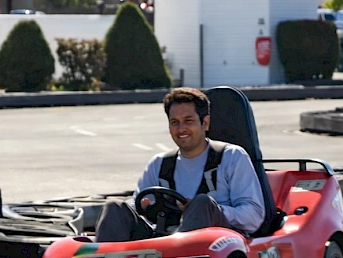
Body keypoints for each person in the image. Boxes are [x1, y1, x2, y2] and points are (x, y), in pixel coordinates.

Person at [95, 87, 265, 242]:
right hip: (163, 240)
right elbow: (136, 206)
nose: (181, 129)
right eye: (175, 122)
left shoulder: (232, 157)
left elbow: (254, 216)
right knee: (114, 207)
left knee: (202, 204)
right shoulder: (159, 164)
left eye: (188, 120)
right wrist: (143, 208)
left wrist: (212, 211)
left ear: (205, 123)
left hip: (216, 244)